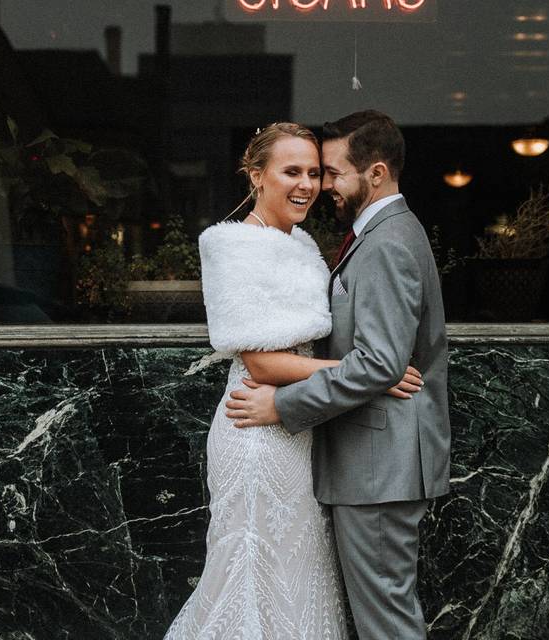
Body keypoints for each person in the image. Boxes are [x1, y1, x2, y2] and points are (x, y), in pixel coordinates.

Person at [164, 122, 424, 640]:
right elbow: (262, 363)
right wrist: (373, 373)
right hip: (257, 421)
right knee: (254, 570)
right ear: (256, 176)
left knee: (296, 573)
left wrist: (362, 372)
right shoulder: (231, 245)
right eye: (292, 172)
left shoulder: (303, 244)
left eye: (314, 172)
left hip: (300, 425)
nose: (307, 184)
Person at [226, 110, 452, 639]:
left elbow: (378, 364)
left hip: (379, 466)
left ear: (375, 173)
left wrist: (281, 405)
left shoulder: (389, 242)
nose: (322, 185)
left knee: (386, 623)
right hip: (374, 460)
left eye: (332, 172)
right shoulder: (382, 233)